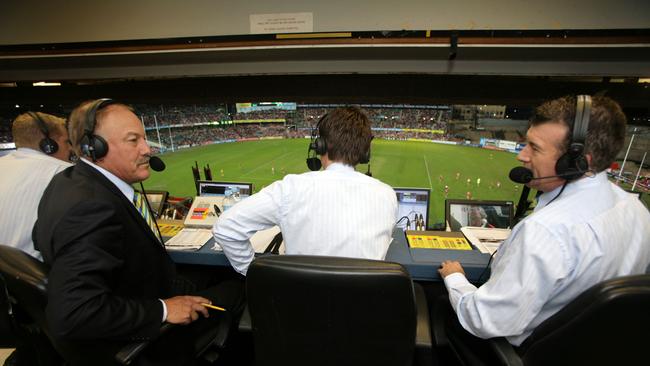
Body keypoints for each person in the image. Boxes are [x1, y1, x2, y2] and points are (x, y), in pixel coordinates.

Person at [33, 100, 240, 366]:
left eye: (144, 138)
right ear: (94, 148)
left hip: (138, 288)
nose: (147, 149)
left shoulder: (67, 182)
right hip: (141, 331)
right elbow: (74, 313)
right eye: (134, 140)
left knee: (208, 274)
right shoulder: (91, 207)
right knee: (240, 287)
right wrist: (165, 310)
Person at [439, 96, 650, 351]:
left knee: (438, 309)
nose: (522, 156)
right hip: (595, 350)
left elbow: (482, 320)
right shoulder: (637, 210)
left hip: (525, 353)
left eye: (534, 147)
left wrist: (456, 279)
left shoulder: (545, 231)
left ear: (577, 162)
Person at [213, 107, 397, 275]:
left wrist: (254, 274)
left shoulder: (290, 189)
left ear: (320, 145)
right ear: (365, 152)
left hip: (298, 307)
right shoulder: (387, 195)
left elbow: (226, 228)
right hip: (364, 308)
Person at [0, 112, 72, 260]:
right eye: (66, 142)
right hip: (29, 278)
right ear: (49, 146)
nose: (70, 149)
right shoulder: (66, 173)